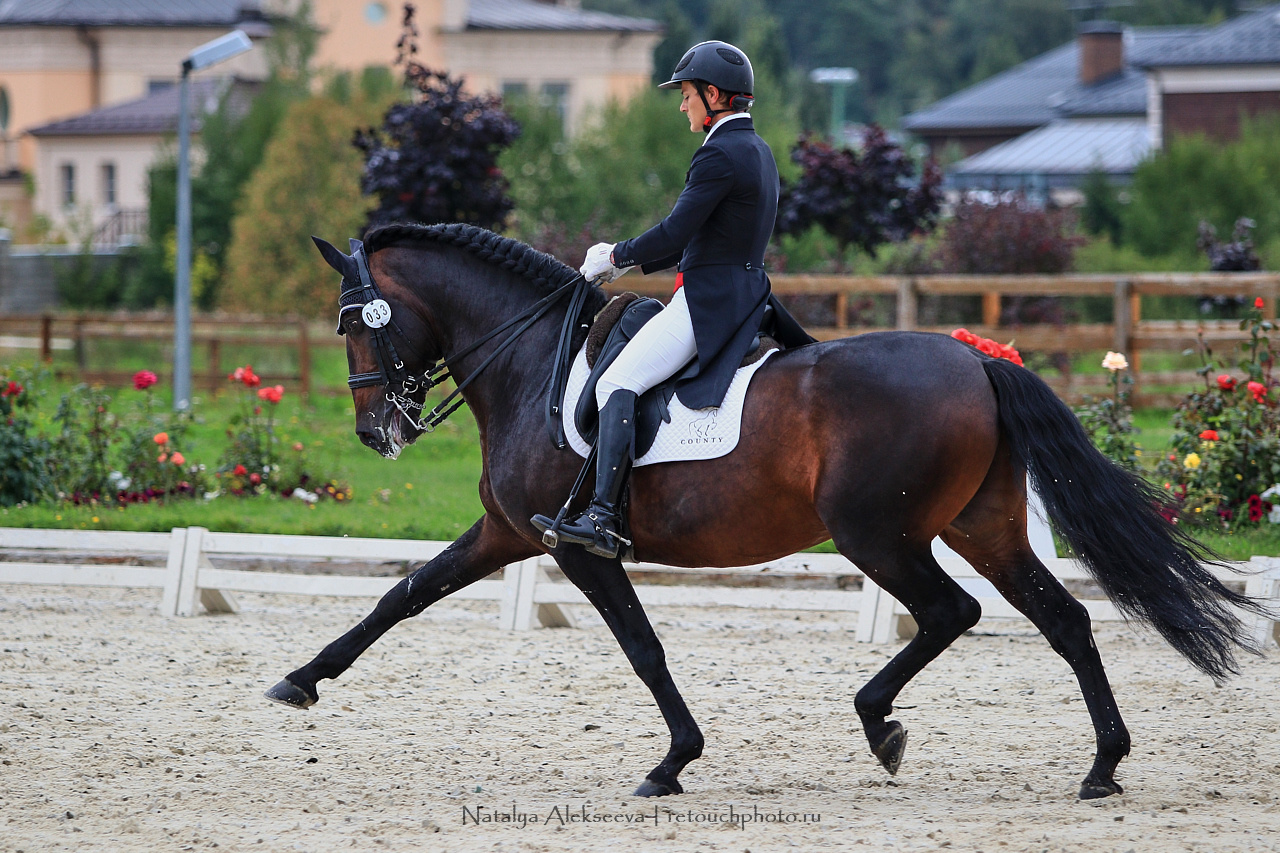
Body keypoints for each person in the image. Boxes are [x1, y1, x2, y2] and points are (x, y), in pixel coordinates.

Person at [532, 40, 786, 559]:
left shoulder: (718, 153)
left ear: (713, 95)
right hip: (747, 294)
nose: (681, 104)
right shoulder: (757, 150)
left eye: (687, 94)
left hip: (708, 301)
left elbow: (674, 234)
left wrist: (614, 256)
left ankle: (603, 518)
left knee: (618, 380)